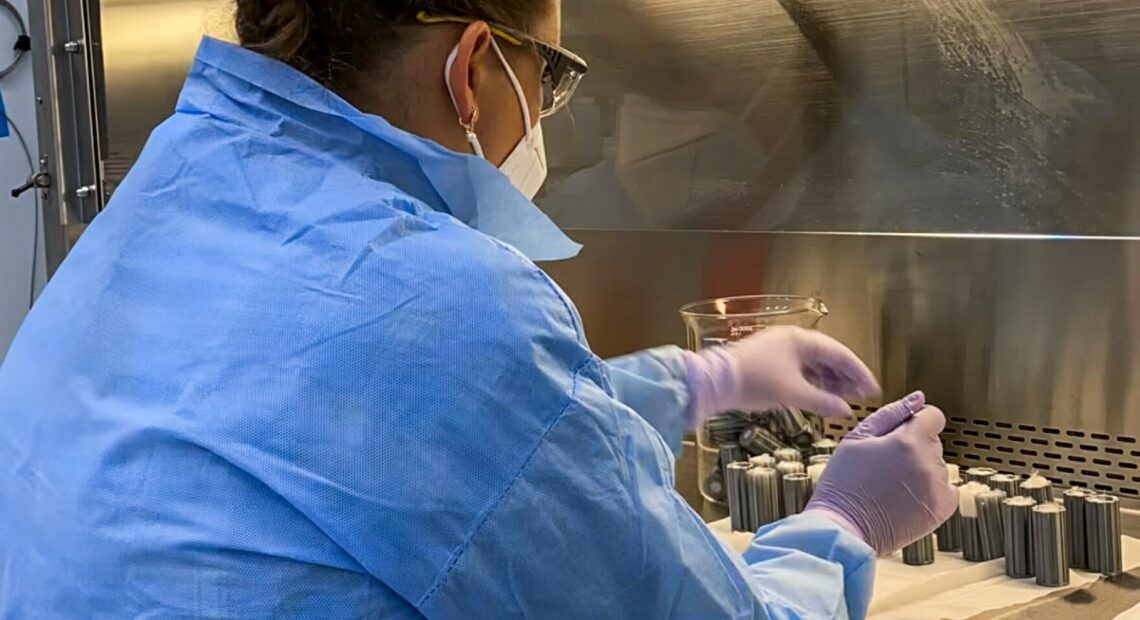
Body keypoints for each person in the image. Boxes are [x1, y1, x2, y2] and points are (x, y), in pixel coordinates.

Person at [0, 1, 956, 617]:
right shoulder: (438, 295)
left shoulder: (174, 185)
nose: (545, 116)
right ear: (471, 70)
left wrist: (704, 377)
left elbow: (367, 432)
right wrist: (843, 526)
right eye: (551, 80)